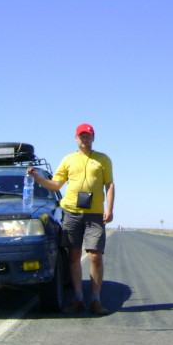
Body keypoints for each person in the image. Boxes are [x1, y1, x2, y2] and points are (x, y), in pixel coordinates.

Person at [27, 123, 115, 315]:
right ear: (76, 138)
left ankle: (96, 300)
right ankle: (78, 299)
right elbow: (56, 185)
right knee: (74, 256)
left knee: (95, 256)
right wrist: (37, 178)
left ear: (93, 138)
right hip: (71, 213)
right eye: (82, 136)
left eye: (88, 136)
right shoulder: (68, 159)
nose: (85, 139)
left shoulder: (103, 159)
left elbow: (109, 185)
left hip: (95, 214)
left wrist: (109, 208)